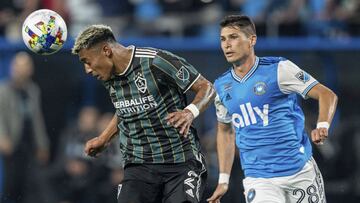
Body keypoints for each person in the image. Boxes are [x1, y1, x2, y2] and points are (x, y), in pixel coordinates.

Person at [71, 24, 216, 203]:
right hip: (139, 165)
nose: (88, 70)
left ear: (106, 50)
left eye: (87, 61)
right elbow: (125, 108)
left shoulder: (155, 61)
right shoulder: (108, 75)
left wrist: (189, 112)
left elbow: (206, 87)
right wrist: (104, 138)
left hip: (180, 161)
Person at [207, 15, 338, 203]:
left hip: (299, 172)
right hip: (258, 179)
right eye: (223, 39)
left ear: (252, 40)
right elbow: (225, 132)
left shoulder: (279, 69)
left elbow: (327, 95)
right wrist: (223, 180)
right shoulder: (221, 86)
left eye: (233, 37)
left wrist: (323, 124)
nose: (227, 44)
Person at [0, 52, 50, 203]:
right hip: (12, 144)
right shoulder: (3, 90)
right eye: (18, 66)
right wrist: (2, 138)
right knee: (11, 186)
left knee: (30, 187)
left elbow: (37, 119)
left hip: (30, 146)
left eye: (26, 66)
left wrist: (43, 144)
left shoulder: (33, 90)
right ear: (12, 68)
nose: (22, 69)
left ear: (31, 69)